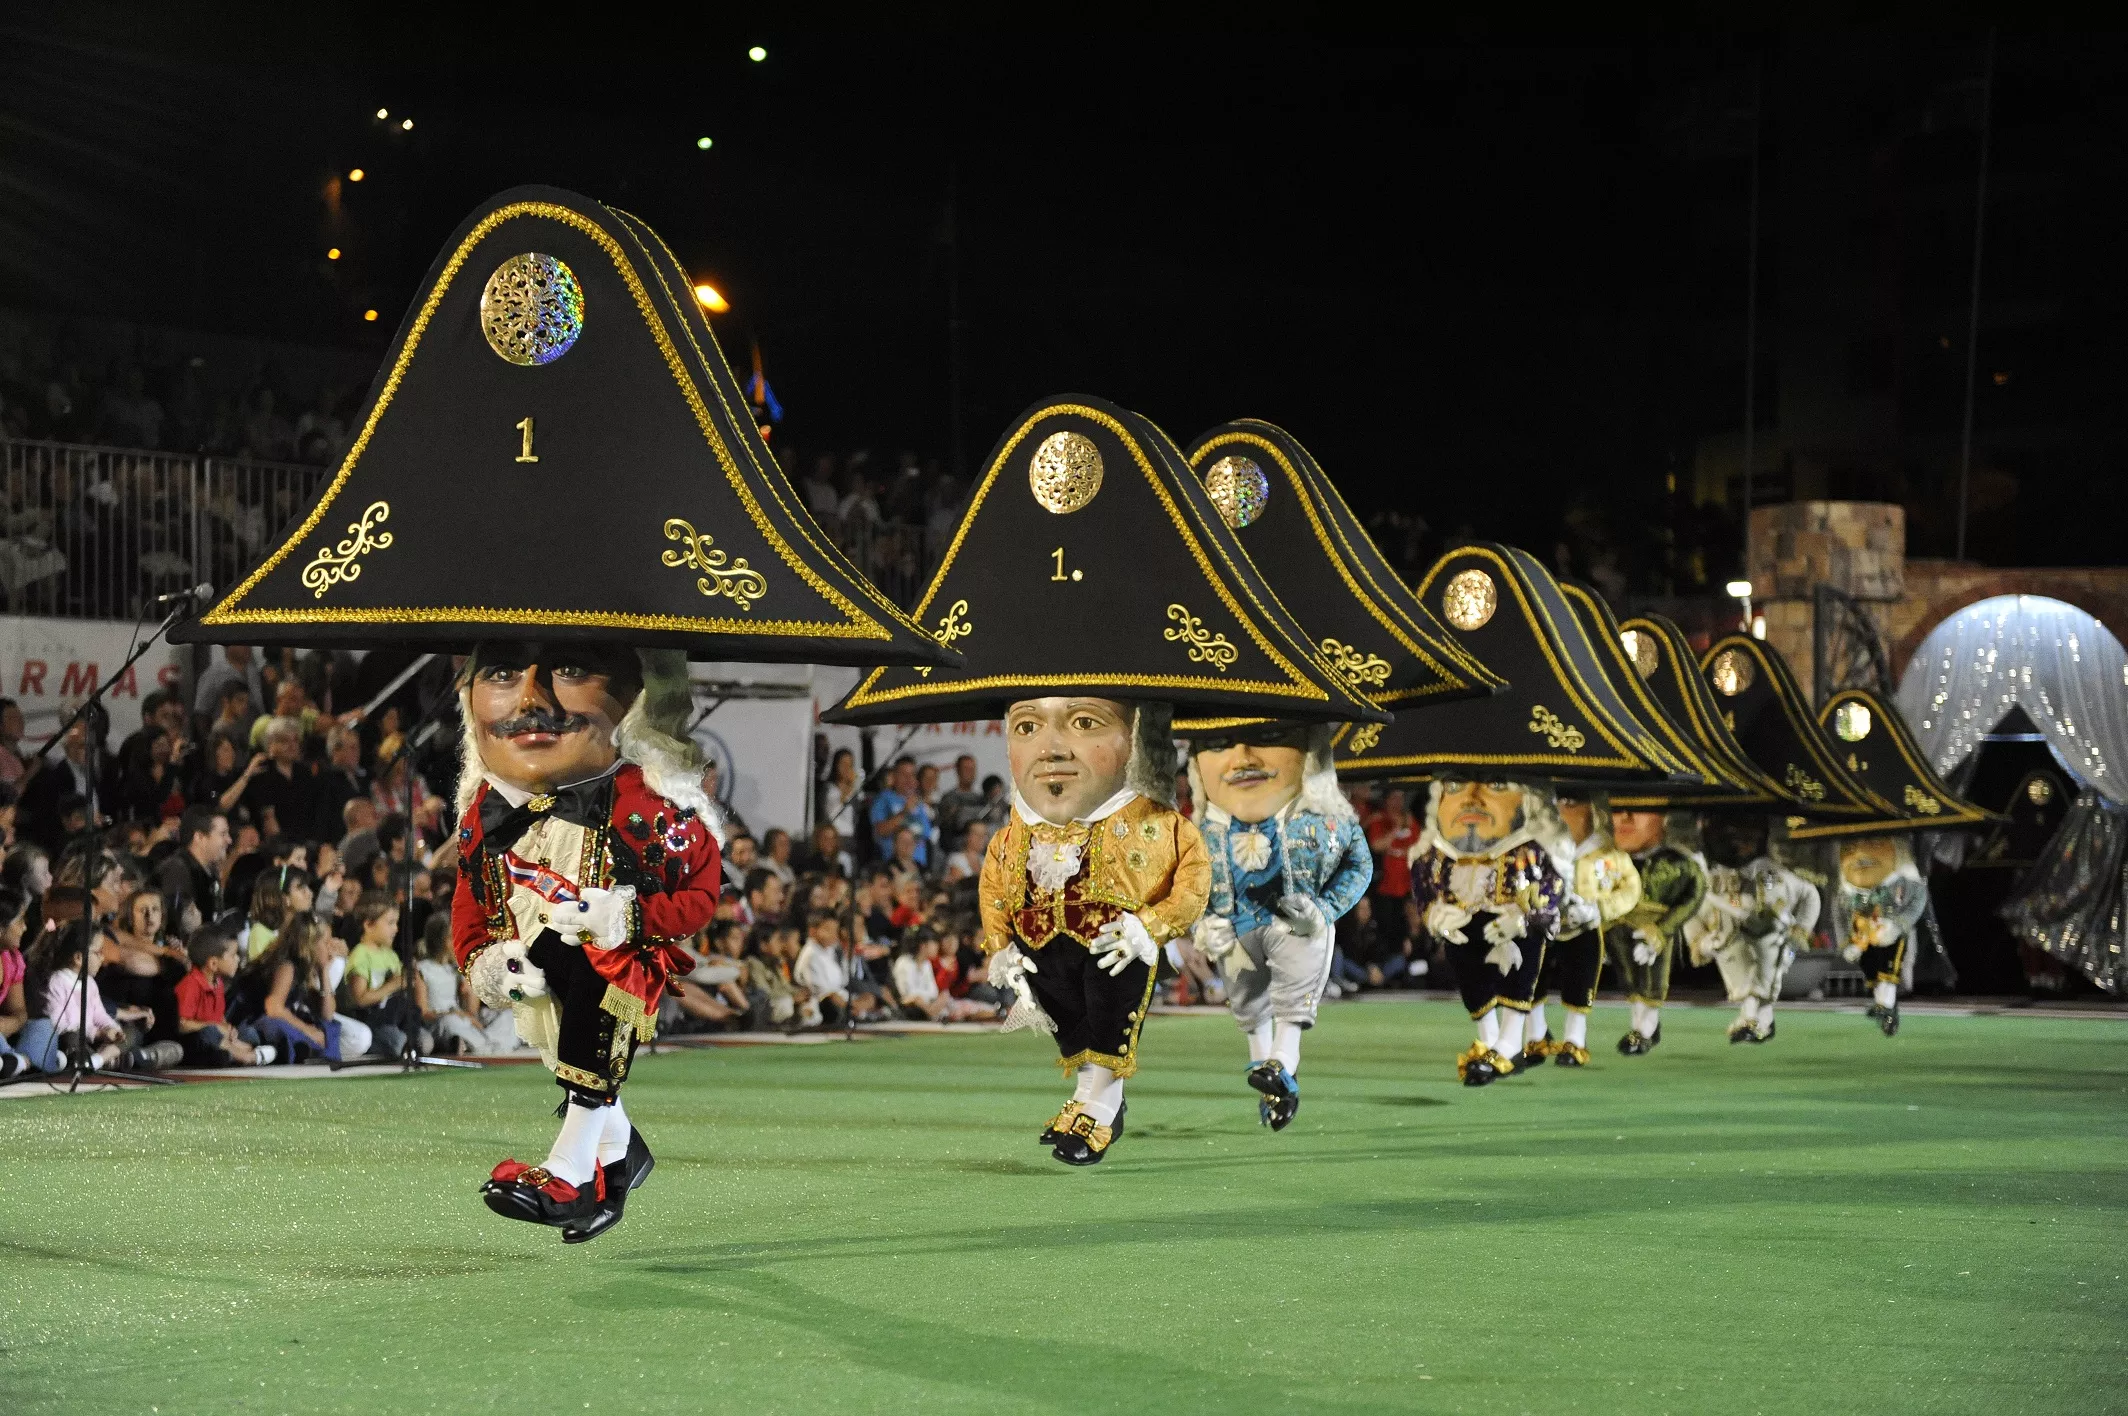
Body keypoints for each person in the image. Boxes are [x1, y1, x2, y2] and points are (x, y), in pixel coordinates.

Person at [454, 643, 720, 1243]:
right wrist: (482, 959)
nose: (530, 699)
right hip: (538, 961)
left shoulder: (650, 805)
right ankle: (619, 1158)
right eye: (500, 673)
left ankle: (571, 1171)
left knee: (591, 990)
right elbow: (469, 898)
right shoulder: (487, 808)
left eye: (570, 671)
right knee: (568, 1033)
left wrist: (626, 915)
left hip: (617, 962)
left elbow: (699, 900)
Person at [976, 698, 1209, 1164]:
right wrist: (999, 945)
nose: (1052, 749)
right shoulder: (1014, 832)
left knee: (1108, 1018)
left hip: (1113, 945)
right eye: (1026, 727)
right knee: (1067, 1020)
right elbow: (995, 886)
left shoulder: (1154, 822)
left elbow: (1194, 877)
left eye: (1084, 724)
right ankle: (1085, 1095)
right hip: (1040, 943)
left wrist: (1152, 926)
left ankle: (1105, 1104)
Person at [1187, 722, 1370, 1129]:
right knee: (1246, 1000)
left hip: (1293, 923)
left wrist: (1324, 909)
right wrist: (1203, 921)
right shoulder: (1202, 831)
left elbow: (1359, 865)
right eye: (1217, 745)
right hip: (1235, 926)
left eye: (1270, 739)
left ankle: (1284, 1058)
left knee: (1295, 986)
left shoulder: (1328, 821)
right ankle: (1273, 1080)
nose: (1243, 758)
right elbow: (1189, 882)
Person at [1408, 778, 1567, 1086]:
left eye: (1495, 785)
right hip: (1462, 923)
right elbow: (1422, 882)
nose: (1472, 800)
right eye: (1455, 786)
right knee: (1469, 977)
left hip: (1510, 924)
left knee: (1519, 972)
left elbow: (1553, 884)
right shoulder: (1437, 851)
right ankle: (1490, 1039)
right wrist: (1433, 914)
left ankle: (1509, 1043)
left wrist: (1527, 918)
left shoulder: (1531, 847)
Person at [1524, 793, 1640, 1069]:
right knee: (1531, 977)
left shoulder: (1608, 853)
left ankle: (1575, 1040)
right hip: (1544, 924)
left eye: (1570, 803)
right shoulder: (1538, 848)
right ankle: (1535, 1035)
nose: (1562, 811)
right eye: (1557, 804)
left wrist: (1600, 909)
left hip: (1584, 927)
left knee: (1581, 980)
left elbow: (1631, 888)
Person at [1603, 810, 1707, 1056]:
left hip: (1654, 931)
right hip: (1615, 930)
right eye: (1618, 810)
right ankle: (1639, 1023)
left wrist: (1662, 930)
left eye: (1638, 810)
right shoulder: (1607, 860)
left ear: (1664, 818)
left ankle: (1645, 1027)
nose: (1625, 819)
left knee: (1651, 976)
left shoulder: (1678, 863)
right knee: (1627, 976)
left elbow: (1694, 895)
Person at [1835, 835, 1926, 1037]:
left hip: (1892, 927)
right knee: (1871, 968)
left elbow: (1918, 899)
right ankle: (1882, 1006)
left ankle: (1886, 1007)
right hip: (1865, 930)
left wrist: (1900, 924)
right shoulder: (1851, 883)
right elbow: (1842, 908)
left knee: (1889, 967)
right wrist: (1846, 942)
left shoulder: (1904, 879)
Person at [175, 925, 273, 1066]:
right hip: (194, 1041)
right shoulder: (191, 984)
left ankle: (234, 1052)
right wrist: (215, 1026)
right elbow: (182, 1024)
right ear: (214, 964)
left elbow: (218, 1016)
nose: (238, 959)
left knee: (249, 1033)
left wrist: (227, 1027)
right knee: (209, 1033)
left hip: (219, 1037)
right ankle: (246, 1057)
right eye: (233, 955)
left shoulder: (218, 983)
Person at [343, 890, 415, 1057]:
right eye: (390, 923)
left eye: (396, 923)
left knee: (423, 1041)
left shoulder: (390, 955)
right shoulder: (360, 955)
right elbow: (359, 999)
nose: (396, 929)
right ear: (368, 925)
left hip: (393, 1019)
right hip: (371, 1021)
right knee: (400, 1044)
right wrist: (392, 985)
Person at [413, 915, 493, 1054]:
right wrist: (455, 1014)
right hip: (441, 1022)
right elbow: (423, 1013)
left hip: (463, 1020)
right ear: (438, 941)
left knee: (507, 1015)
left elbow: (472, 1012)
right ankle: (480, 1044)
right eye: (452, 937)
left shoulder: (455, 969)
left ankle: (477, 1043)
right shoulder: (422, 969)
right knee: (451, 1021)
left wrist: (469, 988)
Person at [156, 804, 229, 928]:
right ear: (199, 837)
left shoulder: (209, 871)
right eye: (223, 834)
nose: (229, 840)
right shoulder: (177, 870)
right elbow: (178, 925)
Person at [868, 758, 931, 870]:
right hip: (893, 865)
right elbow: (880, 830)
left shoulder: (918, 803)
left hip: (918, 865)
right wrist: (904, 812)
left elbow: (925, 834)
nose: (909, 779)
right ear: (894, 776)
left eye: (912, 775)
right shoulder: (884, 798)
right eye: (904, 775)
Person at [934, 753, 988, 845]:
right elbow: (956, 821)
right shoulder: (948, 798)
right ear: (958, 771)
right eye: (966, 769)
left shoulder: (982, 799)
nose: (970, 773)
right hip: (955, 847)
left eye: (972, 769)